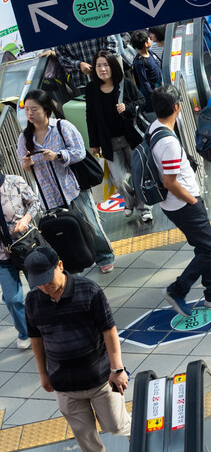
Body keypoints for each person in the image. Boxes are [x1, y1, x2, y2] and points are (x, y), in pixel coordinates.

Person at [24, 245, 130, 452]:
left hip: (100, 380)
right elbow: (36, 337)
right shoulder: (33, 300)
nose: (44, 286)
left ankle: (145, 436)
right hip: (64, 385)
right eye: (37, 282)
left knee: (116, 425)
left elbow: (108, 329)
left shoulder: (88, 290)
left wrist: (117, 368)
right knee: (85, 438)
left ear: (60, 266)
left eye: (47, 278)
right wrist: (43, 373)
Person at [149, 85, 211, 316]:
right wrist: (192, 201)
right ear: (177, 107)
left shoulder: (154, 127)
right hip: (183, 203)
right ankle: (177, 290)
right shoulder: (168, 142)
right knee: (210, 247)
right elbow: (170, 182)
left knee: (202, 246)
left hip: (173, 204)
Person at [17, 90, 115, 273]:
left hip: (72, 187)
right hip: (48, 194)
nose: (30, 114)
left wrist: (58, 155)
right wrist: (26, 164)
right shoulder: (24, 138)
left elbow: (79, 152)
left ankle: (105, 256)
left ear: (45, 109)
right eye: (27, 110)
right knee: (62, 229)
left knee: (90, 224)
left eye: (34, 109)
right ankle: (73, 261)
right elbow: (25, 166)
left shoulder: (62, 127)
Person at [86, 51, 152, 223]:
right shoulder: (92, 89)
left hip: (131, 138)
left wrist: (127, 107)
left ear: (113, 66)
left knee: (138, 174)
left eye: (105, 65)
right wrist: (94, 142)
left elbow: (142, 101)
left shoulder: (125, 84)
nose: (102, 69)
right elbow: (90, 116)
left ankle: (144, 208)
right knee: (119, 179)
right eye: (98, 65)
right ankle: (130, 202)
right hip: (109, 141)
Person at [0, 172, 40, 350]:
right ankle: (26, 331)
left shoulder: (14, 182)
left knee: (39, 288)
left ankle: (46, 325)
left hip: (25, 246)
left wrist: (26, 219)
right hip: (2, 255)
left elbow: (34, 202)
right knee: (11, 298)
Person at [54, 36, 119, 89]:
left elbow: (112, 45)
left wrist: (99, 64)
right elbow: (61, 55)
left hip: (107, 79)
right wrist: (79, 64)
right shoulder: (63, 31)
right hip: (82, 80)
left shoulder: (95, 21)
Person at [129, 29, 163, 113]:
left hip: (160, 87)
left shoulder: (150, 53)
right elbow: (144, 82)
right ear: (145, 44)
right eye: (148, 39)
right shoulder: (139, 62)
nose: (150, 39)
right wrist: (152, 94)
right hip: (152, 96)